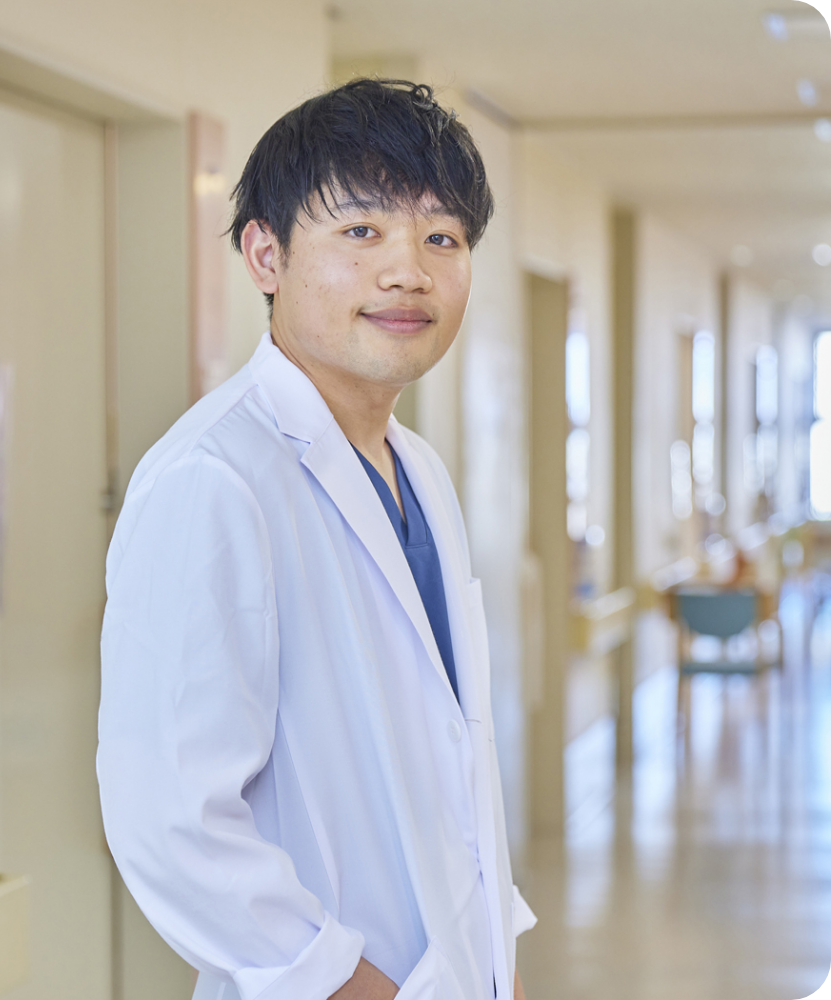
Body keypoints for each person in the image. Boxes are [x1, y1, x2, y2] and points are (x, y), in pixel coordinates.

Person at [97, 78, 535, 1000]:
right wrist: (343, 983)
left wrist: (498, 957)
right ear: (266, 254)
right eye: (361, 230)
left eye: (442, 238)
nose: (408, 272)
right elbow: (170, 817)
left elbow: (449, 761)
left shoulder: (421, 472)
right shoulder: (213, 480)